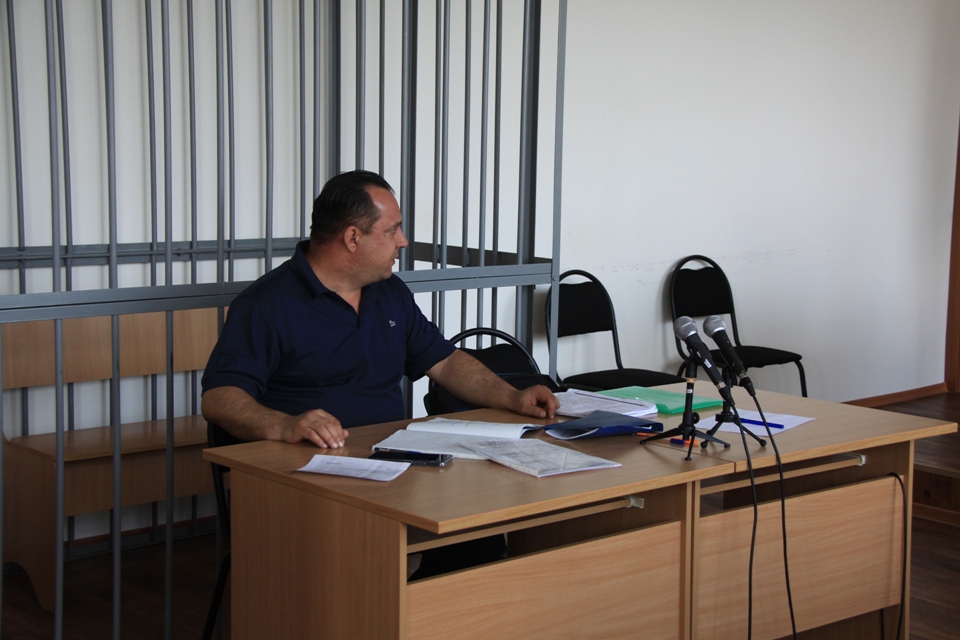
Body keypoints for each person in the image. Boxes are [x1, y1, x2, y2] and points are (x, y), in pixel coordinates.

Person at [201, 169, 558, 445]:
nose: (403, 241)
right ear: (353, 237)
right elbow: (219, 398)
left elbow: (445, 362)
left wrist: (512, 397)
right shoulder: (267, 304)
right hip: (307, 467)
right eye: (392, 231)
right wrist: (284, 425)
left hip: (392, 456)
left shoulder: (389, 291)